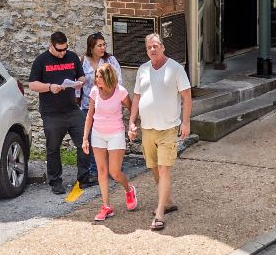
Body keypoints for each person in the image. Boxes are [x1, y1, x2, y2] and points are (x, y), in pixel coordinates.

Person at [128, 33, 192, 231]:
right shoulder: (143, 69)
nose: (152, 49)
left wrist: (186, 123)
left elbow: (187, 97)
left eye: (155, 46)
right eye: (149, 47)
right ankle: (168, 202)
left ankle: (160, 214)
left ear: (163, 47)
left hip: (168, 128)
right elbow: (136, 97)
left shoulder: (175, 68)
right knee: (154, 168)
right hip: (148, 128)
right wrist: (131, 122)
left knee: (164, 169)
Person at [28, 32, 87, 195]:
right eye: (59, 50)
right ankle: (55, 181)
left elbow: (82, 76)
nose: (62, 53)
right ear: (51, 45)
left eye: (65, 49)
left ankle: (84, 177)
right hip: (51, 113)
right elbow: (32, 84)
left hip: (72, 109)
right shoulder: (41, 60)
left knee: (84, 142)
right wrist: (49, 87)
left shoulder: (72, 57)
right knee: (53, 148)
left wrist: (80, 83)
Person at [84, 62, 135, 224]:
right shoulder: (94, 91)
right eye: (96, 77)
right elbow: (90, 115)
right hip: (98, 134)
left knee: (115, 172)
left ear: (108, 77)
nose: (97, 80)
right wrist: (85, 138)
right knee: (101, 171)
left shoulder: (120, 91)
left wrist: (132, 126)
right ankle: (106, 206)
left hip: (116, 133)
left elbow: (132, 109)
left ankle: (129, 189)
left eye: (100, 77)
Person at [78, 32, 120, 188]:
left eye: (104, 45)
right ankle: (96, 170)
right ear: (91, 47)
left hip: (107, 105)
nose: (103, 48)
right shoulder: (82, 61)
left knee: (110, 136)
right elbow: (78, 83)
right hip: (87, 105)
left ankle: (112, 167)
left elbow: (118, 81)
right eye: (99, 45)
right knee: (91, 138)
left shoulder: (110, 60)